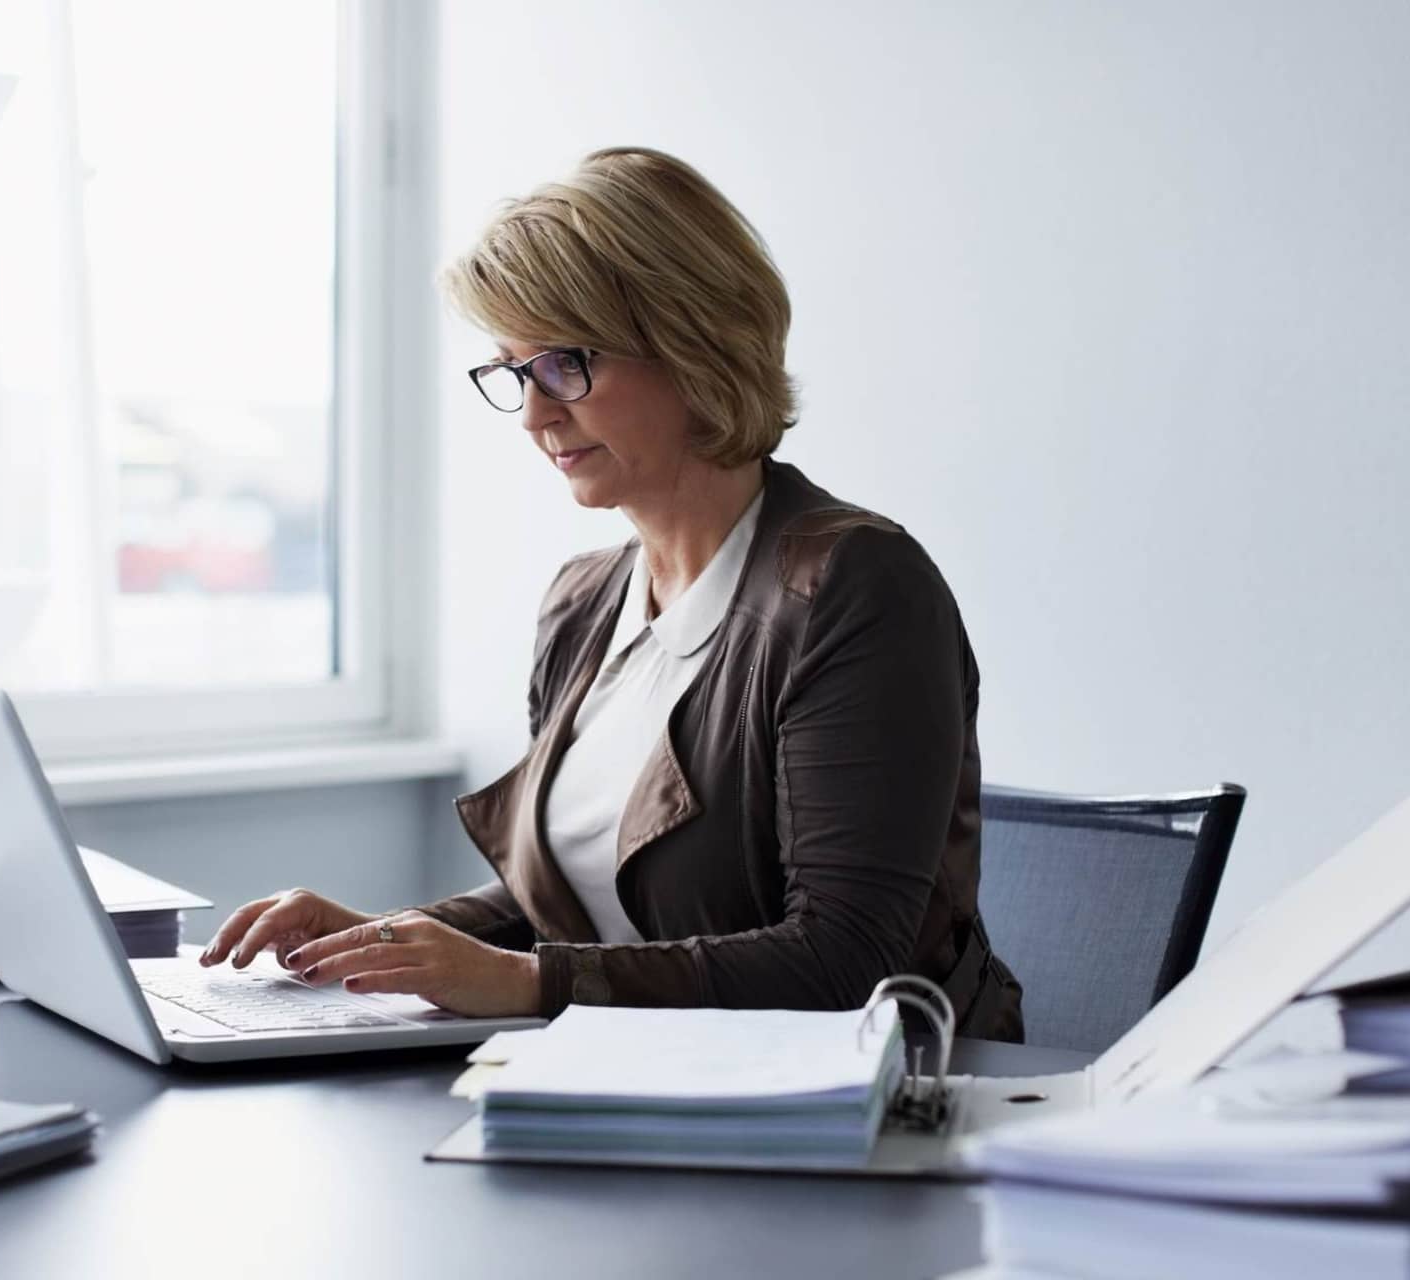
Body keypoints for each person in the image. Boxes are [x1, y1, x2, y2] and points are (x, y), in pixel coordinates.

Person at [202, 146, 1023, 1040]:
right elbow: (563, 904)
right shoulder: (584, 602)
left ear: (691, 341)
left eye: (564, 363)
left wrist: (526, 983)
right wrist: (385, 941)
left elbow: (842, 961)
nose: (534, 414)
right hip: (641, 1081)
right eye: (514, 371)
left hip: (839, 1116)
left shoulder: (856, 586)